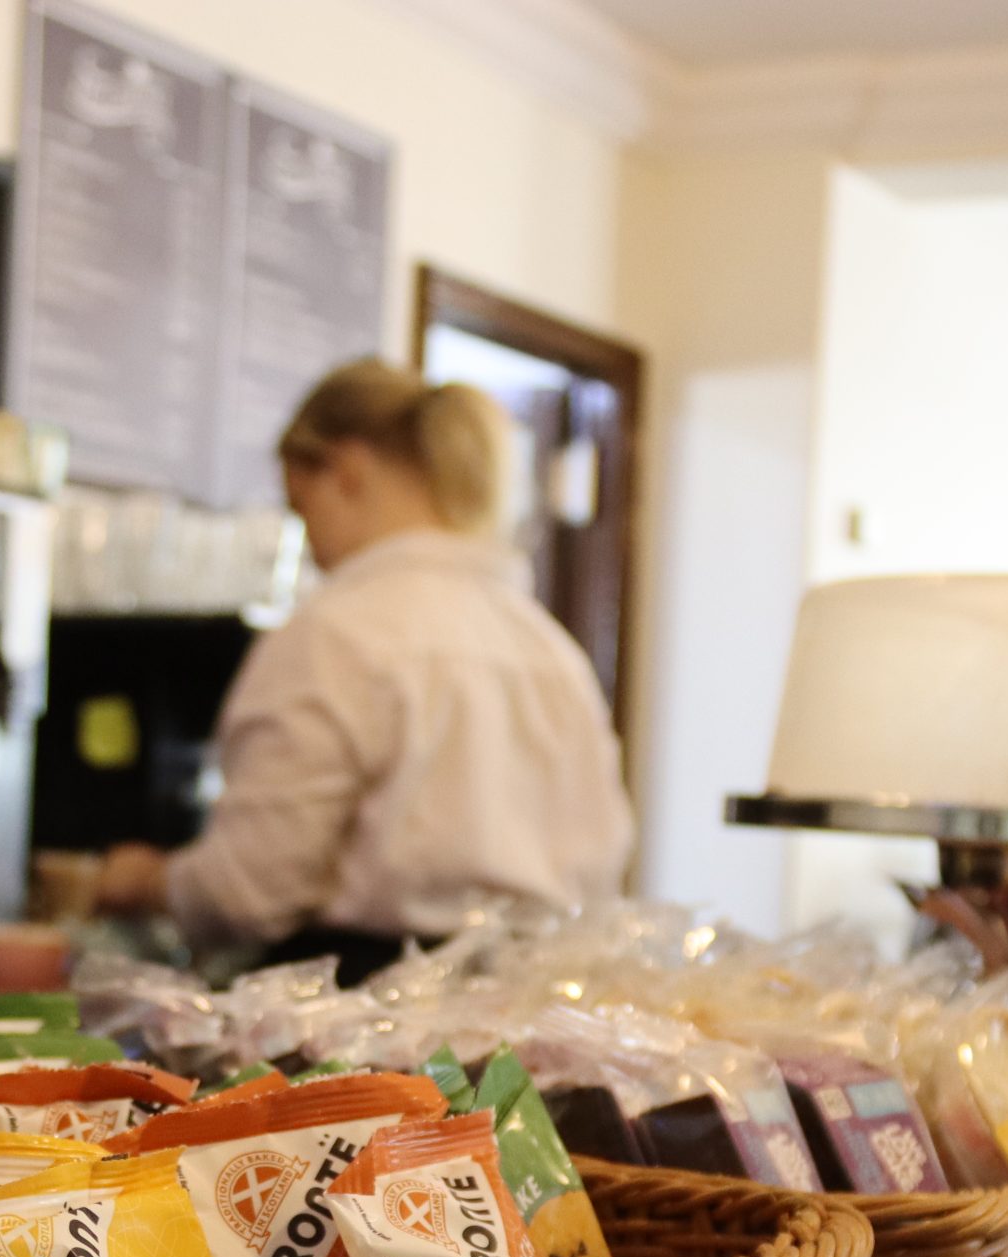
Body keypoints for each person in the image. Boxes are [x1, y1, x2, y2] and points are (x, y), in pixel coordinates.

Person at [95, 360, 635, 981]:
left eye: (301, 509)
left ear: (347, 470)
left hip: (370, 1005)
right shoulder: (551, 648)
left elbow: (248, 893)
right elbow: (602, 870)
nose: (311, 548)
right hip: (537, 1000)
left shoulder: (334, 633)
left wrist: (147, 880)